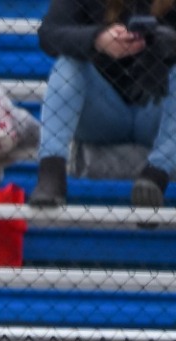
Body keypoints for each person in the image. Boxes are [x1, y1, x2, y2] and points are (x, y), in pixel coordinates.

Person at [33, 0, 176, 208]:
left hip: (157, 112)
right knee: (67, 64)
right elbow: (49, 34)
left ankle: (156, 175)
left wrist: (171, 45)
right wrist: (98, 39)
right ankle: (51, 172)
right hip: (104, 113)